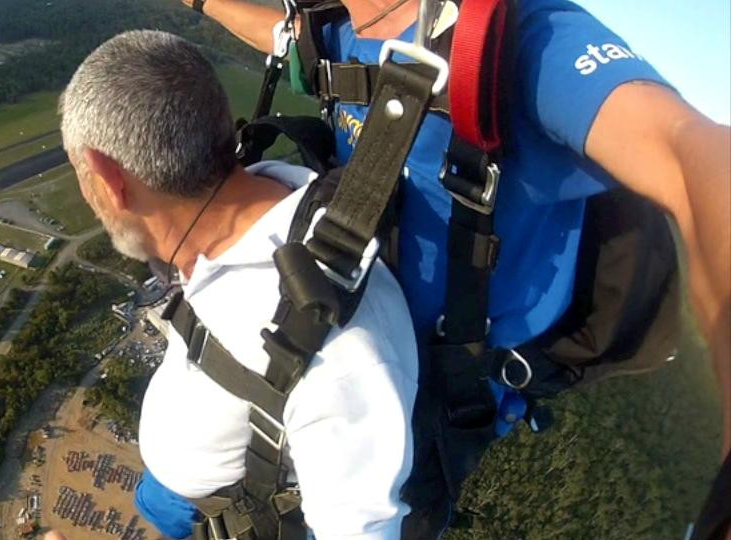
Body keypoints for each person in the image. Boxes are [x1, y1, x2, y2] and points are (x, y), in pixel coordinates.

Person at [183, 0, 731, 513]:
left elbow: (689, 153)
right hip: (347, 338)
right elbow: (279, 35)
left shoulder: (526, 42)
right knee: (183, 488)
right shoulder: (338, 32)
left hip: (434, 396)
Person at [59, 30, 423, 539]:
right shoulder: (240, 211)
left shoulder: (337, 349)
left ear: (107, 178)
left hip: (238, 511)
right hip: (183, 486)